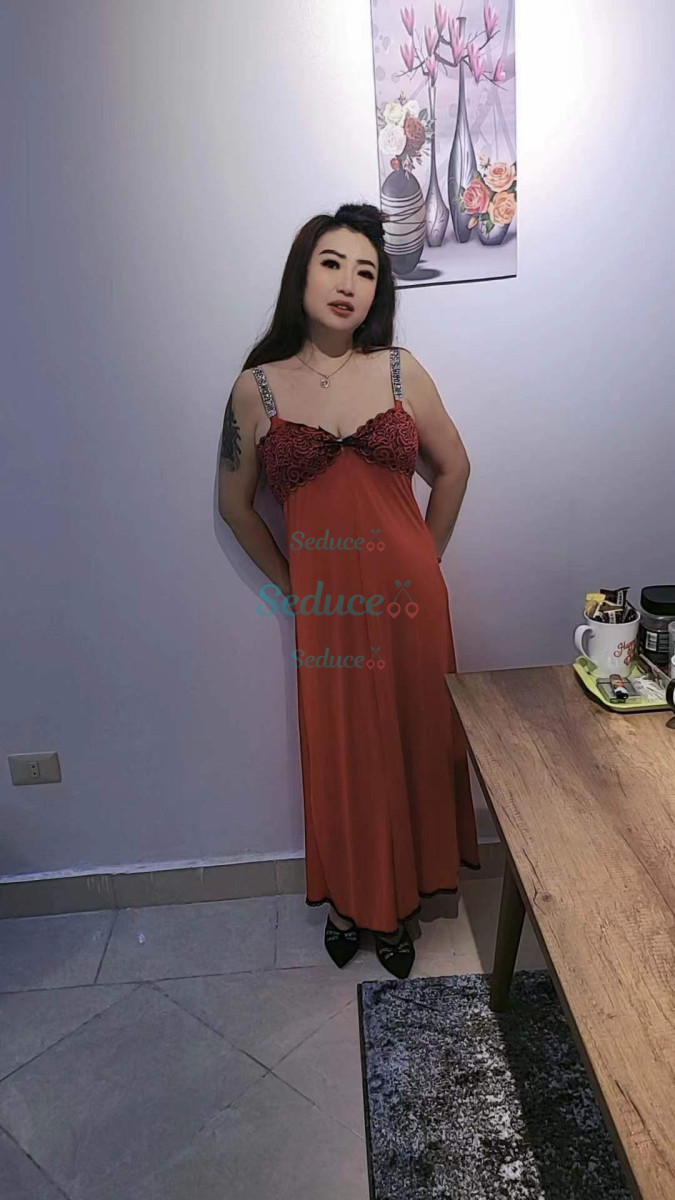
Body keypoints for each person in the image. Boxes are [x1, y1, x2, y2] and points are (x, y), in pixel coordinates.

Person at [219, 202, 480, 979]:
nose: (348, 283)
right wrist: (291, 589)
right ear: (301, 275)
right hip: (327, 611)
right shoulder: (255, 391)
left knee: (410, 740)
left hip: (409, 602)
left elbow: (454, 467)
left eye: (366, 272)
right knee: (342, 753)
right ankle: (349, 900)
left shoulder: (400, 370)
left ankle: (400, 901)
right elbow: (235, 507)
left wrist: (427, 558)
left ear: (378, 293)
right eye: (332, 263)